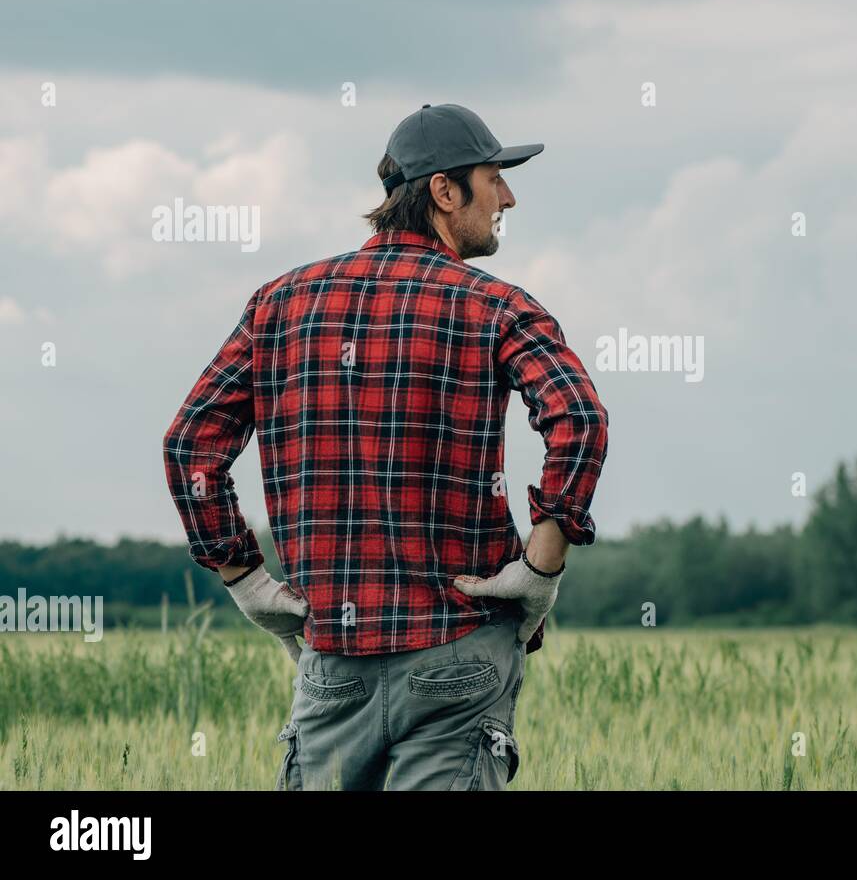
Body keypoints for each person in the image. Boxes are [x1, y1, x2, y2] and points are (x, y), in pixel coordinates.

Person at [162, 103, 610, 790]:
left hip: (331, 664)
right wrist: (541, 570)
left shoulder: (277, 304)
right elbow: (577, 417)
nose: (509, 197)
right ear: (443, 190)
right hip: (459, 653)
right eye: (495, 178)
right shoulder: (498, 306)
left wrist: (246, 581)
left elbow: (191, 444)